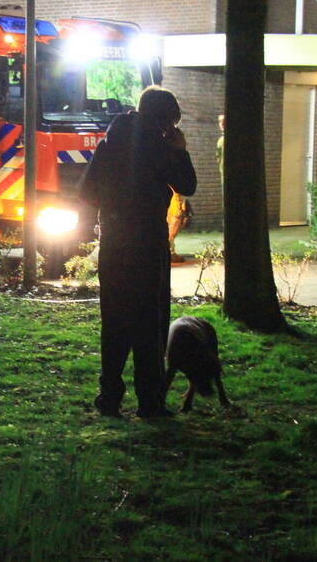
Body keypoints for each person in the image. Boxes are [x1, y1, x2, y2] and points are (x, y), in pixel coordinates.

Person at [79, 86, 197, 419]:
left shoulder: (109, 144)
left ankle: (110, 397)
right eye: (171, 123)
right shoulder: (160, 147)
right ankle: (150, 402)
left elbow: (86, 192)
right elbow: (187, 184)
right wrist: (180, 150)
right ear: (165, 120)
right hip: (148, 244)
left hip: (114, 243)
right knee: (150, 324)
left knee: (114, 321)